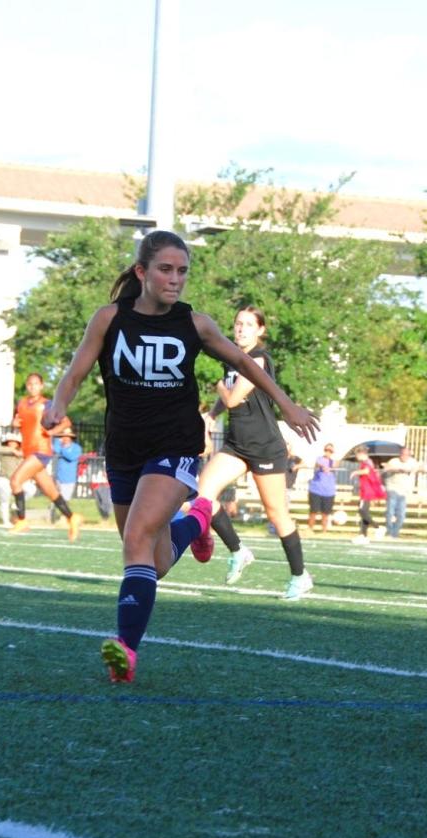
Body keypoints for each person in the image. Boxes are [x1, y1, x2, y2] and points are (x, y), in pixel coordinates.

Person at [41, 230, 318, 684]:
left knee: (136, 540)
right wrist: (58, 405)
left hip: (175, 445)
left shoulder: (196, 323)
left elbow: (247, 364)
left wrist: (287, 405)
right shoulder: (110, 319)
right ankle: (199, 520)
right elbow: (76, 371)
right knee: (156, 559)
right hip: (125, 449)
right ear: (142, 272)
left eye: (182, 271)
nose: (175, 279)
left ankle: (125, 650)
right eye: (166, 269)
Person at [196, 306, 317, 598]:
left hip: (264, 446)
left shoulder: (258, 359)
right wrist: (212, 414)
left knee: (277, 515)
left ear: (260, 330)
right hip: (237, 445)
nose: (241, 329)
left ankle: (300, 576)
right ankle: (238, 551)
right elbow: (227, 398)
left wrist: (216, 386)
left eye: (249, 325)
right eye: (238, 323)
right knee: (202, 495)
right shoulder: (232, 359)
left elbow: (235, 397)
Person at [8, 372, 82, 541]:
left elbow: (66, 422)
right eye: (29, 384)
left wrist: (51, 432)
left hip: (40, 451)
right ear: (27, 386)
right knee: (51, 491)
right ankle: (72, 517)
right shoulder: (22, 403)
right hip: (28, 450)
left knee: (15, 481)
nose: (32, 387)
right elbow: (18, 421)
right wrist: (14, 424)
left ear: (41, 386)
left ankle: (22, 520)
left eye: (36, 384)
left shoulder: (46, 404)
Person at [382, 446, 423, 539]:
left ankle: (394, 534)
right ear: (400, 454)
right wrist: (398, 470)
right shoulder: (394, 461)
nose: (404, 456)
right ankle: (389, 531)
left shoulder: (412, 462)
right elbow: (386, 468)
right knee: (390, 512)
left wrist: (417, 469)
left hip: (404, 492)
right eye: (403, 454)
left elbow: (423, 468)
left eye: (406, 454)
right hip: (392, 489)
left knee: (401, 515)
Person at [349, 448, 386, 543]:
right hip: (367, 490)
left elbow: (366, 471)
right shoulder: (367, 462)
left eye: (357, 455)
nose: (356, 457)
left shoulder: (366, 462)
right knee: (364, 511)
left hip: (367, 491)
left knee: (362, 510)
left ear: (361, 454)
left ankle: (377, 527)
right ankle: (363, 535)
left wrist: (355, 472)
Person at [48, 427, 83, 524]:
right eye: (63, 436)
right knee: (55, 498)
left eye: (67, 436)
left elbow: (71, 456)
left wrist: (62, 449)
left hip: (69, 478)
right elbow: (54, 448)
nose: (65, 438)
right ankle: (52, 517)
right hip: (58, 477)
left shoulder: (76, 448)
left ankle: (64, 518)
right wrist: (57, 440)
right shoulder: (59, 446)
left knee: (65, 499)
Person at [0, 433, 25, 526]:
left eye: (14, 442)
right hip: (4, 478)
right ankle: (6, 521)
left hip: (18, 480)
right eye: (10, 441)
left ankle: (16, 504)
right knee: (5, 498)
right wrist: (14, 451)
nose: (12, 443)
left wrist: (20, 452)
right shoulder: (3, 450)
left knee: (31, 489)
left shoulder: (23, 452)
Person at [307, 443, 338, 531]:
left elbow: (335, 465)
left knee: (326, 513)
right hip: (316, 490)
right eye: (326, 450)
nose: (328, 452)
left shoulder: (333, 462)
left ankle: (324, 530)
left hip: (328, 492)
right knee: (313, 511)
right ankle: (310, 529)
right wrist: (323, 467)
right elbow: (318, 464)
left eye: (330, 451)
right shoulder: (319, 459)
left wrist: (330, 467)